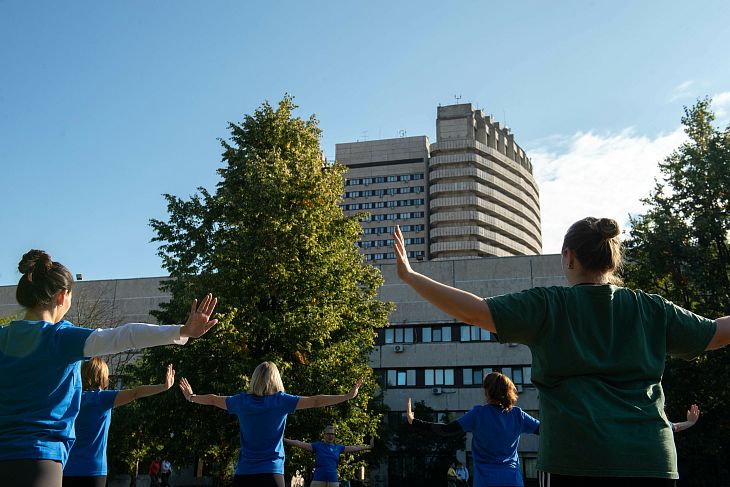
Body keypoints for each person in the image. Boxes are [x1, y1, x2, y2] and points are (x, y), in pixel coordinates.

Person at [392, 218, 730, 485]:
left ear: (568, 256)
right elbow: (715, 334)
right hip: (651, 460)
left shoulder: (549, 304)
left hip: (575, 460)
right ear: (611, 259)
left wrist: (410, 276)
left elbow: (475, 312)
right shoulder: (651, 308)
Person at [0, 249, 219, 487]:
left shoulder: (4, 337)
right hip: (39, 460)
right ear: (62, 296)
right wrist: (182, 331)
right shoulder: (61, 338)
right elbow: (125, 335)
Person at [178, 361, 362, 487]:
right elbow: (315, 401)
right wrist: (346, 396)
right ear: (276, 379)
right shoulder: (281, 401)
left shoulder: (242, 401)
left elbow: (212, 399)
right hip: (272, 474)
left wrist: (192, 397)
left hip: (244, 475)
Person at [407, 372, 539, 487]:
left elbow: (445, 430)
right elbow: (544, 429)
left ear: (487, 392)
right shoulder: (518, 415)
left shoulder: (478, 414)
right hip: (513, 481)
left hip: (486, 481)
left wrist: (414, 422)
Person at [62, 360, 176, 487]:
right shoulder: (102, 398)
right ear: (102, 377)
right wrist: (163, 386)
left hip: (67, 469)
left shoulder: (70, 399)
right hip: (93, 470)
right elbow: (135, 393)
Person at [284, 424, 374, 487]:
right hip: (318, 479)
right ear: (324, 435)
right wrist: (284, 440)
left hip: (333, 480)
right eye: (328, 434)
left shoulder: (338, 447)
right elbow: (299, 443)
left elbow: (354, 447)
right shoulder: (317, 445)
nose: (330, 436)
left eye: (332, 434)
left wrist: (368, 447)